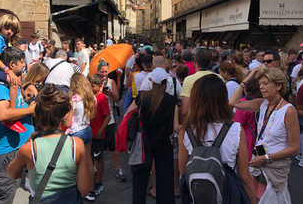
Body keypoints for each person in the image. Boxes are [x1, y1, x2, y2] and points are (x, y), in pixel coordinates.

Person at [179, 74, 256, 204]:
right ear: (222, 100)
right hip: (228, 195)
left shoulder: (186, 131)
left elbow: (183, 172)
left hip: (198, 196)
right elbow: (245, 178)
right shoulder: (235, 130)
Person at [7, 85, 90, 203]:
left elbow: (12, 173)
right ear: (65, 115)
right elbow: (85, 189)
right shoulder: (77, 144)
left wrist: (26, 143)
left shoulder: (28, 149)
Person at [230, 66, 300, 202]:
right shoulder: (263, 104)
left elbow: (295, 148)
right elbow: (233, 103)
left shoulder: (288, 111)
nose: (261, 87)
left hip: (274, 166)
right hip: (259, 164)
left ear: (279, 86)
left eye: (266, 84)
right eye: (260, 84)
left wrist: (266, 158)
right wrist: (248, 79)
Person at [0, 47, 35, 204]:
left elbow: (14, 107)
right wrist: (30, 109)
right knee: (2, 198)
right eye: (21, 62)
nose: (24, 65)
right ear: (12, 64)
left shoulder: (11, 83)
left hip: (13, 150)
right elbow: (2, 114)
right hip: (3, 153)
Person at [127, 67, 181, 204]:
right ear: (166, 82)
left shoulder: (142, 96)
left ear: (151, 81)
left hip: (143, 144)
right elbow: (176, 127)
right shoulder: (171, 100)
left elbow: (128, 114)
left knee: (139, 181)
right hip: (164, 145)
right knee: (165, 182)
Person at [66, 73, 96, 200]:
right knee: (89, 161)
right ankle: (91, 190)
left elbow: (67, 122)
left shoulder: (73, 100)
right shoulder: (91, 97)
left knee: (76, 165)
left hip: (75, 133)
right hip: (87, 130)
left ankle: (80, 189)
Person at [97, 60, 126, 182]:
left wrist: (110, 94)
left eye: (106, 71)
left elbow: (117, 100)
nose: (104, 74)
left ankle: (118, 168)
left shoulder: (111, 82)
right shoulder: (93, 82)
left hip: (109, 118)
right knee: (96, 147)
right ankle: (95, 169)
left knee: (112, 145)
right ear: (97, 71)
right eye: (102, 71)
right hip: (96, 119)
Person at [180, 48, 222, 123]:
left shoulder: (188, 80)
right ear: (210, 62)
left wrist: (183, 126)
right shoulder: (219, 78)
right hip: (215, 122)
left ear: (195, 61)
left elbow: (184, 111)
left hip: (195, 122)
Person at [88, 74, 110, 196]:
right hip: (90, 133)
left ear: (99, 86)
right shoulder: (89, 97)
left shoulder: (102, 98)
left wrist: (101, 131)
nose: (91, 88)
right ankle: (91, 180)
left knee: (98, 158)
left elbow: (108, 116)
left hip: (98, 135)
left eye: (93, 86)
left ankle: (99, 181)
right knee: (90, 159)